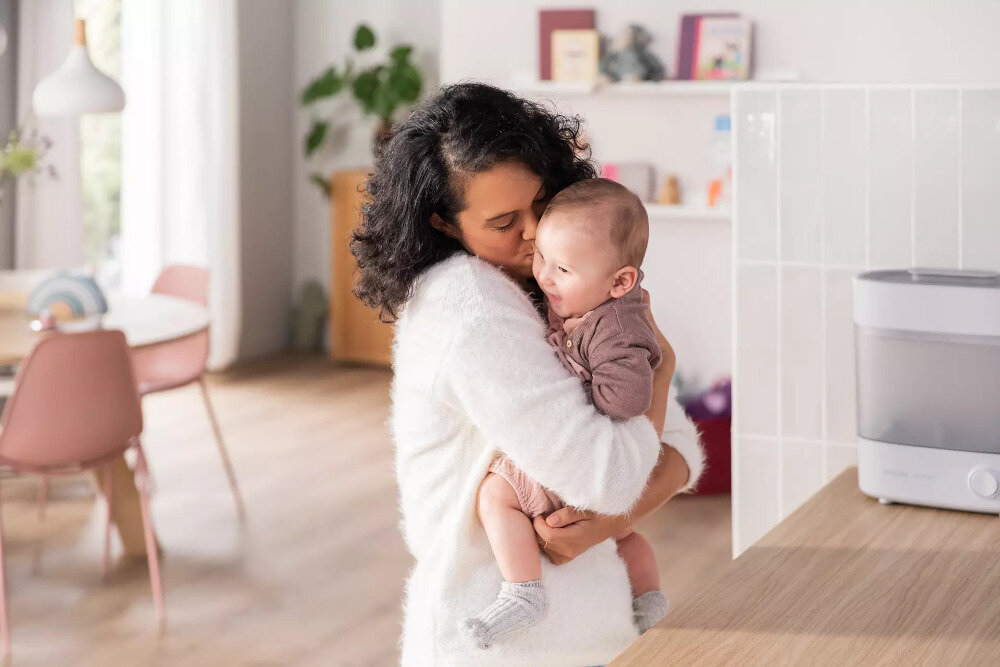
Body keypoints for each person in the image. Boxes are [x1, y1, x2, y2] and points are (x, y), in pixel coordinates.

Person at [351, 82, 706, 666]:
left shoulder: (553, 289)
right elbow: (617, 472)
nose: (536, 233)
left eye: (542, 205)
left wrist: (608, 518)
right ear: (443, 223)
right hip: (501, 644)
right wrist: (661, 373)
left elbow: (677, 445)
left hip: (588, 626)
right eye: (504, 221)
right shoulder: (469, 309)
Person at [462, 178, 670, 650]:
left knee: (497, 494)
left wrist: (575, 385)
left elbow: (629, 397)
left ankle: (523, 591)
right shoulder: (589, 300)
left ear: (621, 282)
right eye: (542, 260)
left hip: (594, 452)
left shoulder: (616, 325)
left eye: (562, 269)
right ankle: (649, 598)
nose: (545, 277)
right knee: (626, 535)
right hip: (612, 463)